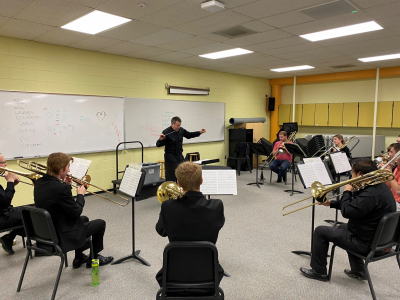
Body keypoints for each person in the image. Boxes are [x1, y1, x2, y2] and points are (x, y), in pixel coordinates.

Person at [300, 158, 396, 281]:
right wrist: (332, 203)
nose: (351, 176)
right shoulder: (380, 186)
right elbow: (357, 206)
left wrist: (347, 192)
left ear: (360, 174)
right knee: (341, 227)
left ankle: (319, 272)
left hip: (368, 246)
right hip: (382, 241)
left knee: (320, 231)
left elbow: (347, 212)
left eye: (352, 172)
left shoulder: (369, 194)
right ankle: (359, 270)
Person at [155, 162, 225, 294]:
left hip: (174, 275)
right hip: (208, 274)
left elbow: (161, 231)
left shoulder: (167, 206)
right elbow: (218, 224)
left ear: (178, 183)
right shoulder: (217, 205)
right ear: (201, 181)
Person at [34, 152, 113, 268]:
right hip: (60, 236)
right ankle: (94, 258)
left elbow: (59, 202)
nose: (69, 170)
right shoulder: (61, 188)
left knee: (84, 219)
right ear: (61, 169)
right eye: (68, 167)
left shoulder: (39, 183)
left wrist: (66, 186)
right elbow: (76, 211)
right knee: (100, 223)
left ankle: (79, 258)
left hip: (47, 231)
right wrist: (80, 195)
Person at [156, 116, 206, 182]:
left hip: (179, 156)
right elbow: (158, 145)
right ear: (172, 124)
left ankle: (181, 190)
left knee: (182, 174)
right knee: (172, 176)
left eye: (179, 125)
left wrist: (199, 132)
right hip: (170, 157)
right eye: (177, 125)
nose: (178, 127)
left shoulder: (181, 130)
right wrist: (160, 139)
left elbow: (189, 135)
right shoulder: (166, 132)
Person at [0, 153, 25, 255]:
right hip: (2, 217)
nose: (6, 165)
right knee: (29, 213)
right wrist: (10, 182)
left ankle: (9, 238)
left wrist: (11, 185)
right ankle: (42, 244)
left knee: (26, 212)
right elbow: (6, 201)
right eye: (3, 162)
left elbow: (2, 200)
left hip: (3, 212)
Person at [384, 143, 400, 211]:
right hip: (393, 199)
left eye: (391, 152)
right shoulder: (397, 168)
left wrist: (389, 174)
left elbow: (398, 191)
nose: (389, 154)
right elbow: (389, 186)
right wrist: (384, 175)